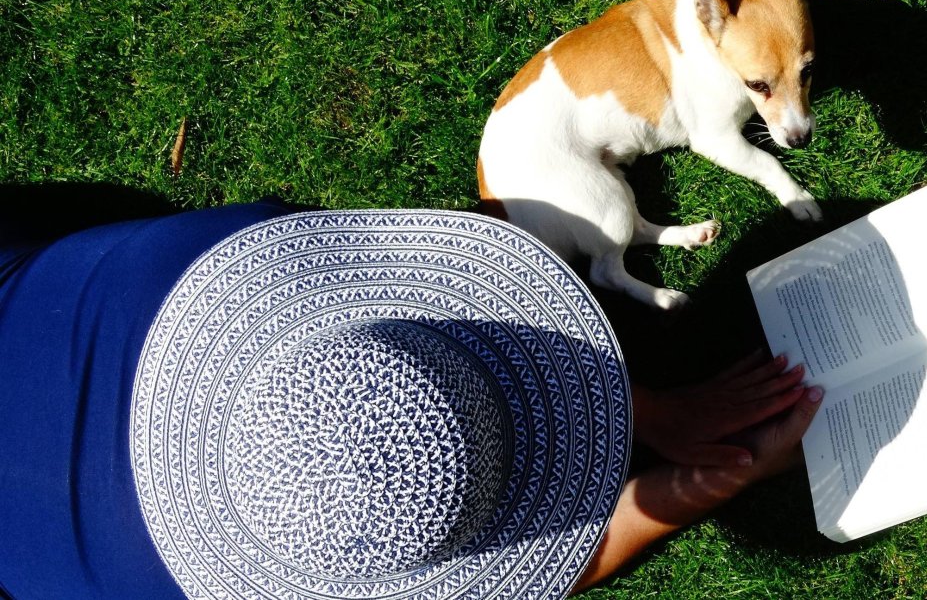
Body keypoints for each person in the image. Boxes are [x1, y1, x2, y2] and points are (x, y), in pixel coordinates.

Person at [0, 197, 822, 599]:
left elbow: (455, 332)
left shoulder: (234, 250)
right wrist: (711, 477)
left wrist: (648, 412)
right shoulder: (238, 253)